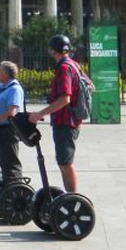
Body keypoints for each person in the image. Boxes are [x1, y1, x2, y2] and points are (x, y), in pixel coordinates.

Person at [30, 35, 84, 192]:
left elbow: (65, 99)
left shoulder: (64, 68)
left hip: (65, 121)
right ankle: (71, 197)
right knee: (64, 162)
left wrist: (40, 114)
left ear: (53, 51)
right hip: (70, 120)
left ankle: (73, 198)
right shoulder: (73, 64)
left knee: (65, 163)